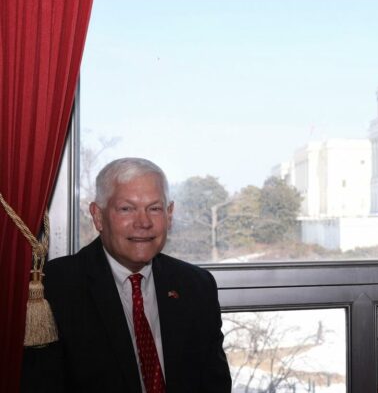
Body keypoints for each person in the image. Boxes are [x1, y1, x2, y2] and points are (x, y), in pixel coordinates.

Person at [23, 158, 231, 392]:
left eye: (154, 208)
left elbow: (216, 384)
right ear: (98, 216)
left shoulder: (197, 286)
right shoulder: (54, 288)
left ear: (169, 214)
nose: (143, 222)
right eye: (126, 209)